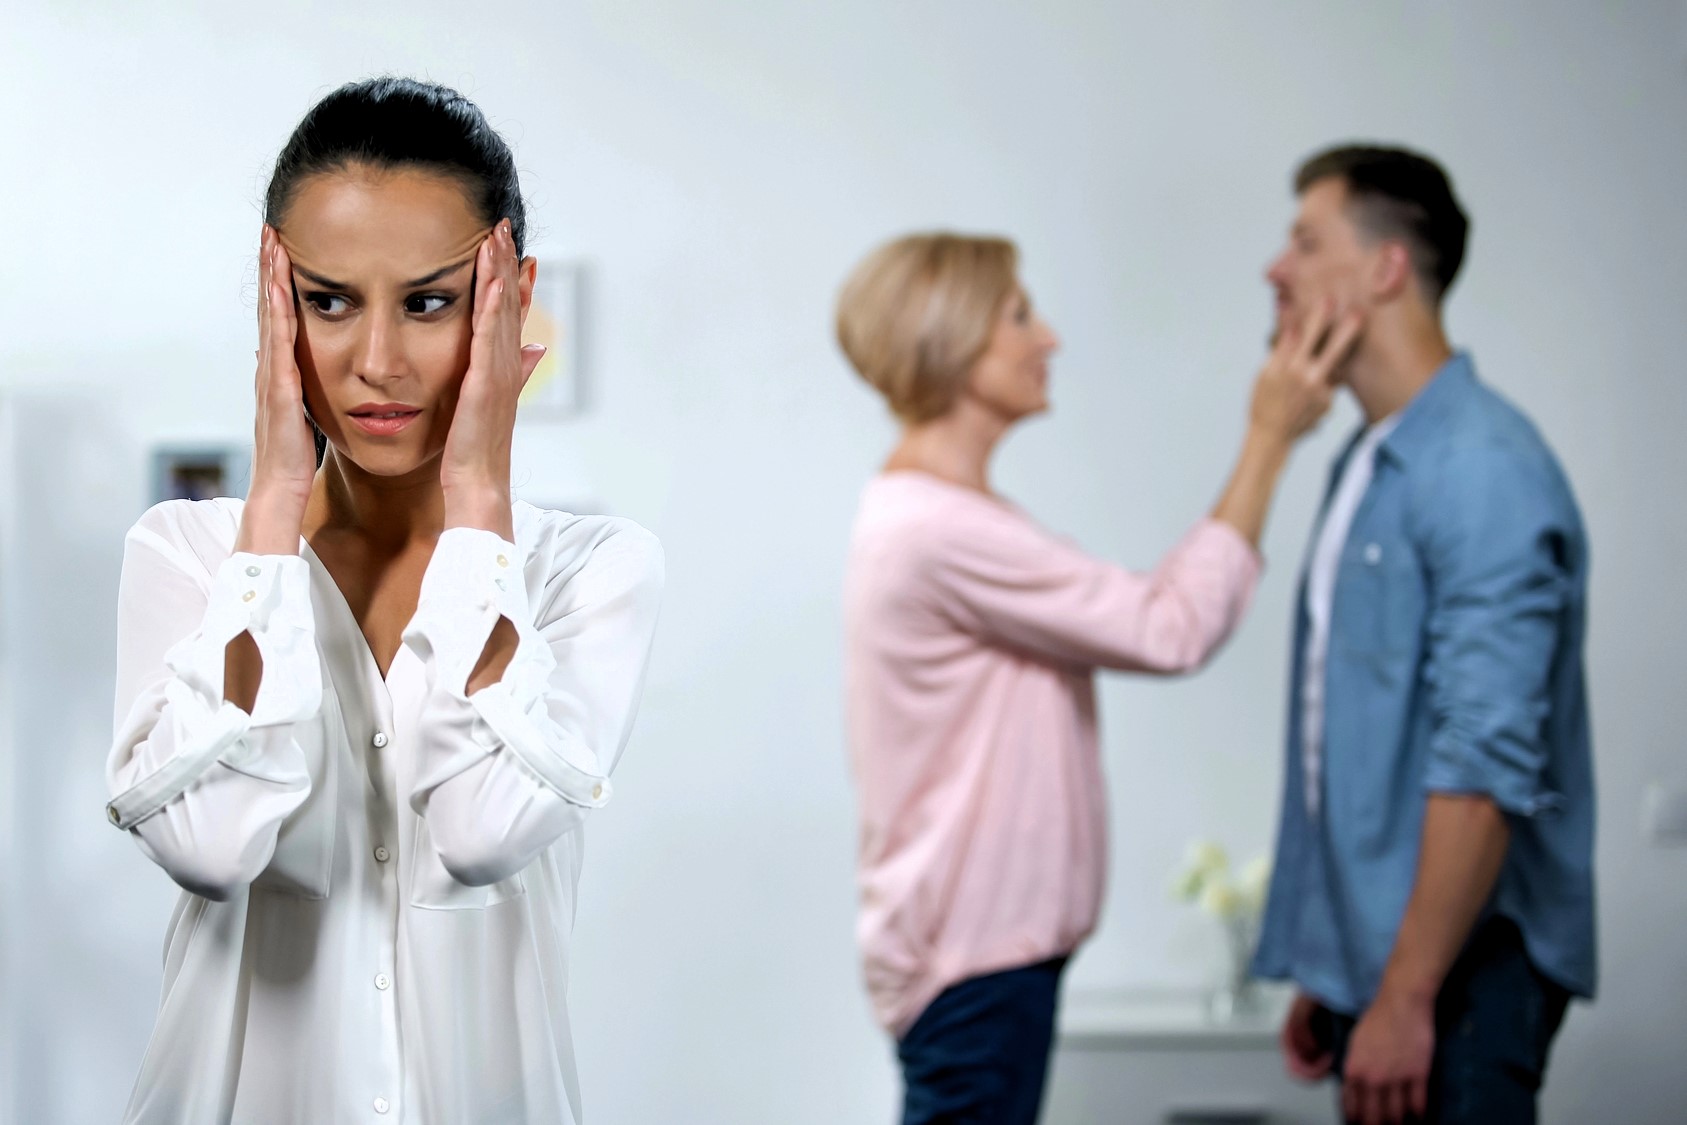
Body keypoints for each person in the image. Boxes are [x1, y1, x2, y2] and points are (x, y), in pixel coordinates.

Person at [103, 77, 663, 1124]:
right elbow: (212, 846)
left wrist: (479, 496)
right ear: (276, 302)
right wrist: (272, 504)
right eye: (327, 301)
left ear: (509, 297)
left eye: (428, 301)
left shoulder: (590, 571)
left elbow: (488, 828)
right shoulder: (186, 554)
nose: (375, 363)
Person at [836, 232, 1357, 1123]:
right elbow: (1169, 628)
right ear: (951, 337)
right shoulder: (936, 529)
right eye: (1018, 314)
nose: (1048, 339)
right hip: (973, 963)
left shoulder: (941, 514)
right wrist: (1268, 438)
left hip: (977, 958)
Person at [1251, 145, 1595, 1125]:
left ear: (1385, 268)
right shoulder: (1365, 460)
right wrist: (1334, 964)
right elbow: (1353, 726)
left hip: (1460, 977)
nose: (1275, 269)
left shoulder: (1480, 466)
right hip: (1391, 964)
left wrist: (1403, 995)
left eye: (1305, 241)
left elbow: (1484, 763)